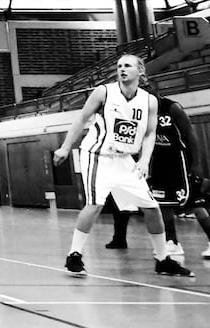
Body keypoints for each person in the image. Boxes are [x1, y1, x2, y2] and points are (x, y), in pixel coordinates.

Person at [52, 54, 192, 277]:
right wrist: (66, 147)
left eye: (127, 65)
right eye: (119, 66)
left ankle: (162, 259)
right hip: (98, 155)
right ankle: (74, 256)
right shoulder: (104, 92)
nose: (122, 69)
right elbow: (81, 119)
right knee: (95, 204)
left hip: (126, 159)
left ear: (140, 71)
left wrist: (145, 160)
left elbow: (149, 133)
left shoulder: (149, 101)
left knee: (152, 207)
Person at [107, 94, 210, 260]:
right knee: (162, 204)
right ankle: (172, 242)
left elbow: (191, 134)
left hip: (179, 161)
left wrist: (197, 163)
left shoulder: (171, 108)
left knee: (195, 202)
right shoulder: (139, 112)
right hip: (157, 163)